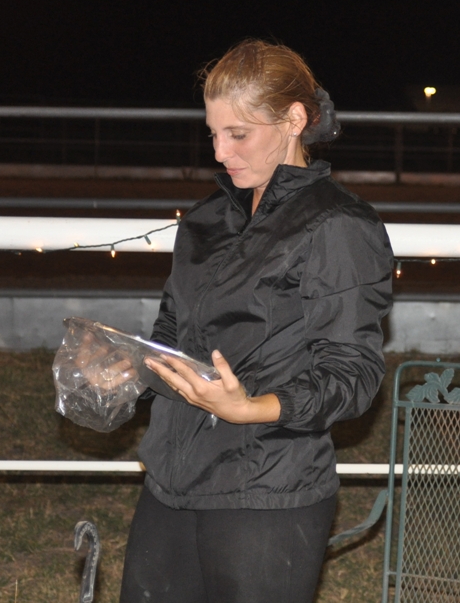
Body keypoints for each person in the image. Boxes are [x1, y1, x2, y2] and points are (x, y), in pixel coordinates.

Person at [118, 39, 393, 603]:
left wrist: (250, 407)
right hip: (171, 481)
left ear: (294, 120)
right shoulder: (204, 219)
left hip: (268, 488)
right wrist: (130, 367)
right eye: (213, 134)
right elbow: (173, 331)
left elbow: (354, 373)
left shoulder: (338, 226)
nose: (221, 152)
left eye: (238, 134)